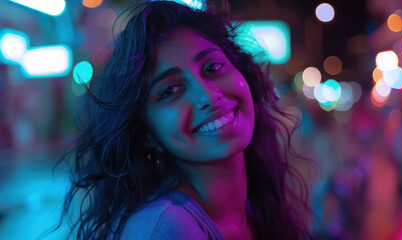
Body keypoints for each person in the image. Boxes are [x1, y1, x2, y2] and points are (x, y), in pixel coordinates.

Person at [58, 1, 312, 239]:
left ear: (241, 72)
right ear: (147, 133)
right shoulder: (165, 228)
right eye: (170, 90)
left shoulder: (259, 202)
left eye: (212, 68)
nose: (208, 96)